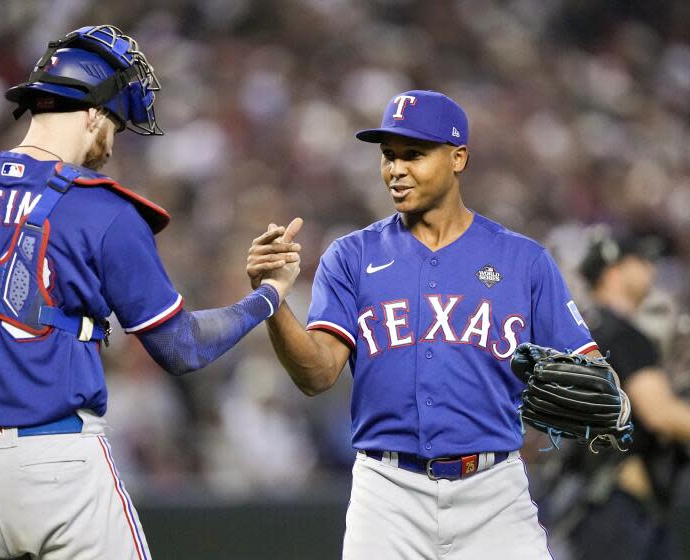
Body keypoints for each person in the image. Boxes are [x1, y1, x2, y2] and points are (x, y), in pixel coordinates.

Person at [0, 25, 300, 560]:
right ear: (91, 113)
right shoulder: (101, 209)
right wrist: (267, 297)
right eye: (115, 124)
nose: (111, 145)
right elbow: (182, 348)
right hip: (59, 466)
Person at [247, 90, 605, 559]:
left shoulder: (523, 261)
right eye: (388, 156)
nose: (395, 169)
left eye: (413, 154)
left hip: (493, 492)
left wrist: (595, 391)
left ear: (458, 158)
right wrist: (272, 299)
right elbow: (316, 375)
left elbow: (591, 374)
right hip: (387, 491)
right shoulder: (352, 257)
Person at [557, 228, 690, 560]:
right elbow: (659, 413)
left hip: (589, 500)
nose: (651, 268)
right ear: (614, 271)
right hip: (618, 507)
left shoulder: (583, 329)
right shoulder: (621, 335)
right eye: (640, 260)